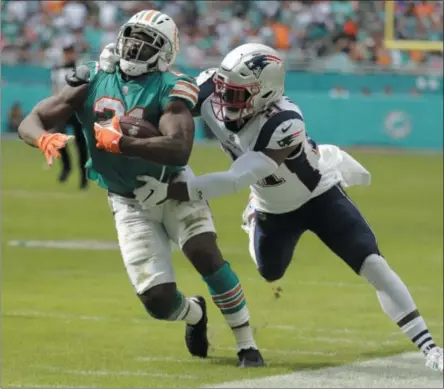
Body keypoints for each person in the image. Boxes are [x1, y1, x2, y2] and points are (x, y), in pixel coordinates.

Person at [115, 42, 443, 373]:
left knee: (372, 263)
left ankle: (429, 346)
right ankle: (256, 213)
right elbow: (166, 101)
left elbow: (234, 179)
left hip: (319, 196)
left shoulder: (284, 122)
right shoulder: (214, 86)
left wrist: (171, 190)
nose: (226, 101)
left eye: (238, 95)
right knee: (269, 271)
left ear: (266, 93)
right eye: (225, 91)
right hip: (270, 206)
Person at [17, 11, 264, 368]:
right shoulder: (93, 76)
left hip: (172, 186)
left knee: (204, 252)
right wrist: (42, 138)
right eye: (132, 37)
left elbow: (179, 146)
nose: (135, 46)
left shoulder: (173, 85)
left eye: (147, 42)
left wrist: (124, 142)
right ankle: (195, 314)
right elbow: (33, 118)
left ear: (165, 52)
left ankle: (247, 344)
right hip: (126, 200)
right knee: (158, 301)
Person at [51, 39, 88, 189]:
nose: (68, 55)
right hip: (63, 109)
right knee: (58, 140)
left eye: (70, 52)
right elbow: (55, 90)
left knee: (81, 144)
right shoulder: (57, 69)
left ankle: (83, 176)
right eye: (66, 52)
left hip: (77, 109)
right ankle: (67, 166)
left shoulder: (81, 68)